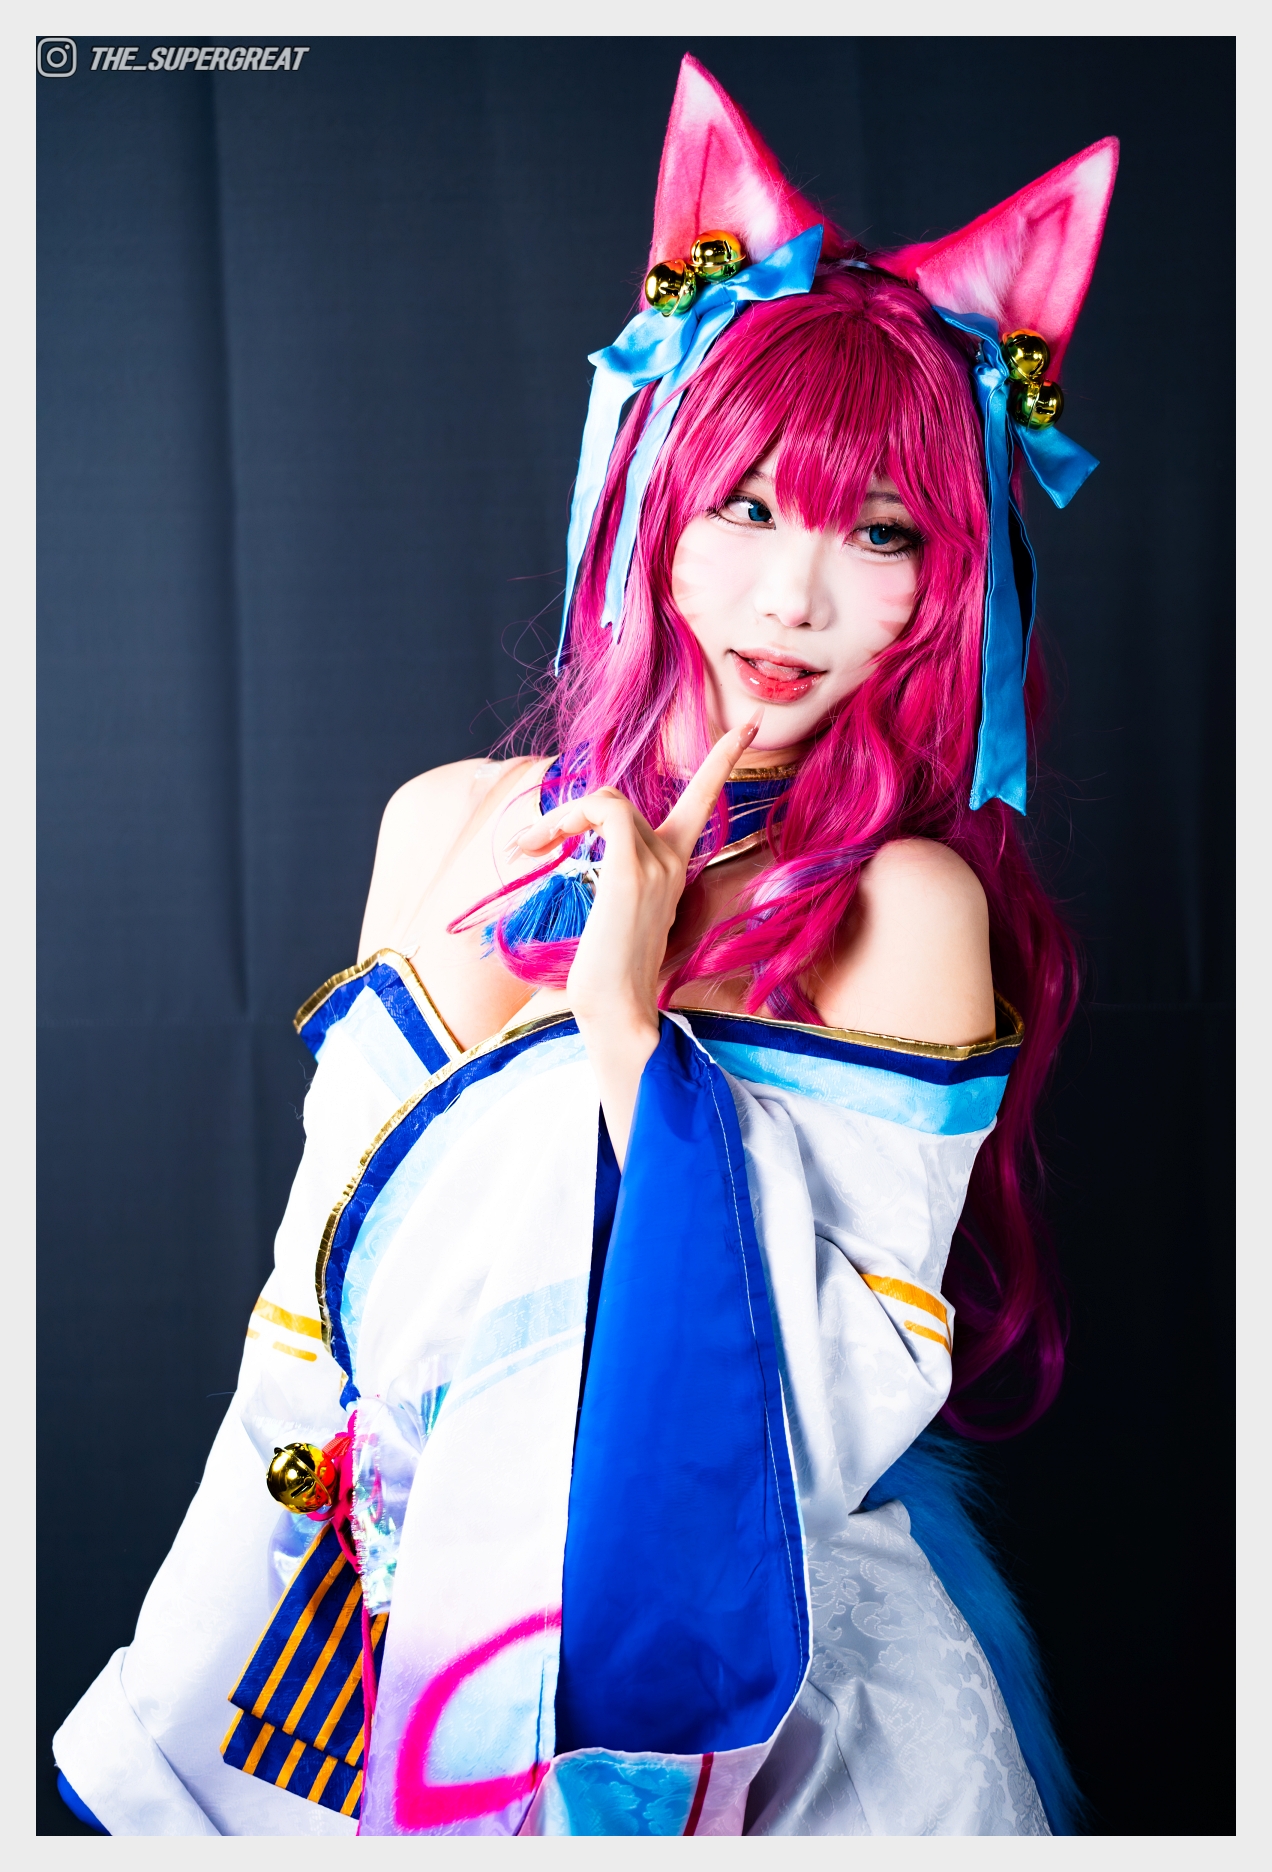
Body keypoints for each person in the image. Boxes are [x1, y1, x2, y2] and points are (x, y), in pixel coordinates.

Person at [54, 55, 1118, 1837]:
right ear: (650, 491)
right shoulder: (446, 825)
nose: (794, 598)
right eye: (749, 504)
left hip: (750, 1690)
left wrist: (633, 1042)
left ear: (947, 583)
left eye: (880, 533)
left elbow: (824, 1416)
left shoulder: (905, 911)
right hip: (356, 1625)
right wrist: (239, 1625)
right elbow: (313, 1303)